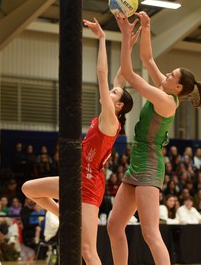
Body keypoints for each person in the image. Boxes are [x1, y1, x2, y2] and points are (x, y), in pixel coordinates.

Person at [109, 11, 201, 265]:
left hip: (150, 164)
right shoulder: (166, 89)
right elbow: (147, 58)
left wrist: (125, 36)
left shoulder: (165, 100)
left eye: (172, 76)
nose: (166, 76)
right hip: (137, 161)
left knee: (150, 232)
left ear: (178, 88)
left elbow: (130, 75)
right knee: (113, 225)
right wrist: (147, 26)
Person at [22, 18, 135, 265]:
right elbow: (120, 76)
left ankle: (73, 219)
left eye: (115, 93)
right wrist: (127, 42)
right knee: (29, 189)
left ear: (118, 106)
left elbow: (103, 73)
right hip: (77, 176)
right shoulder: (112, 111)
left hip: (90, 184)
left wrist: (103, 39)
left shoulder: (110, 120)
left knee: (87, 250)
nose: (112, 90)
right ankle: (70, 217)